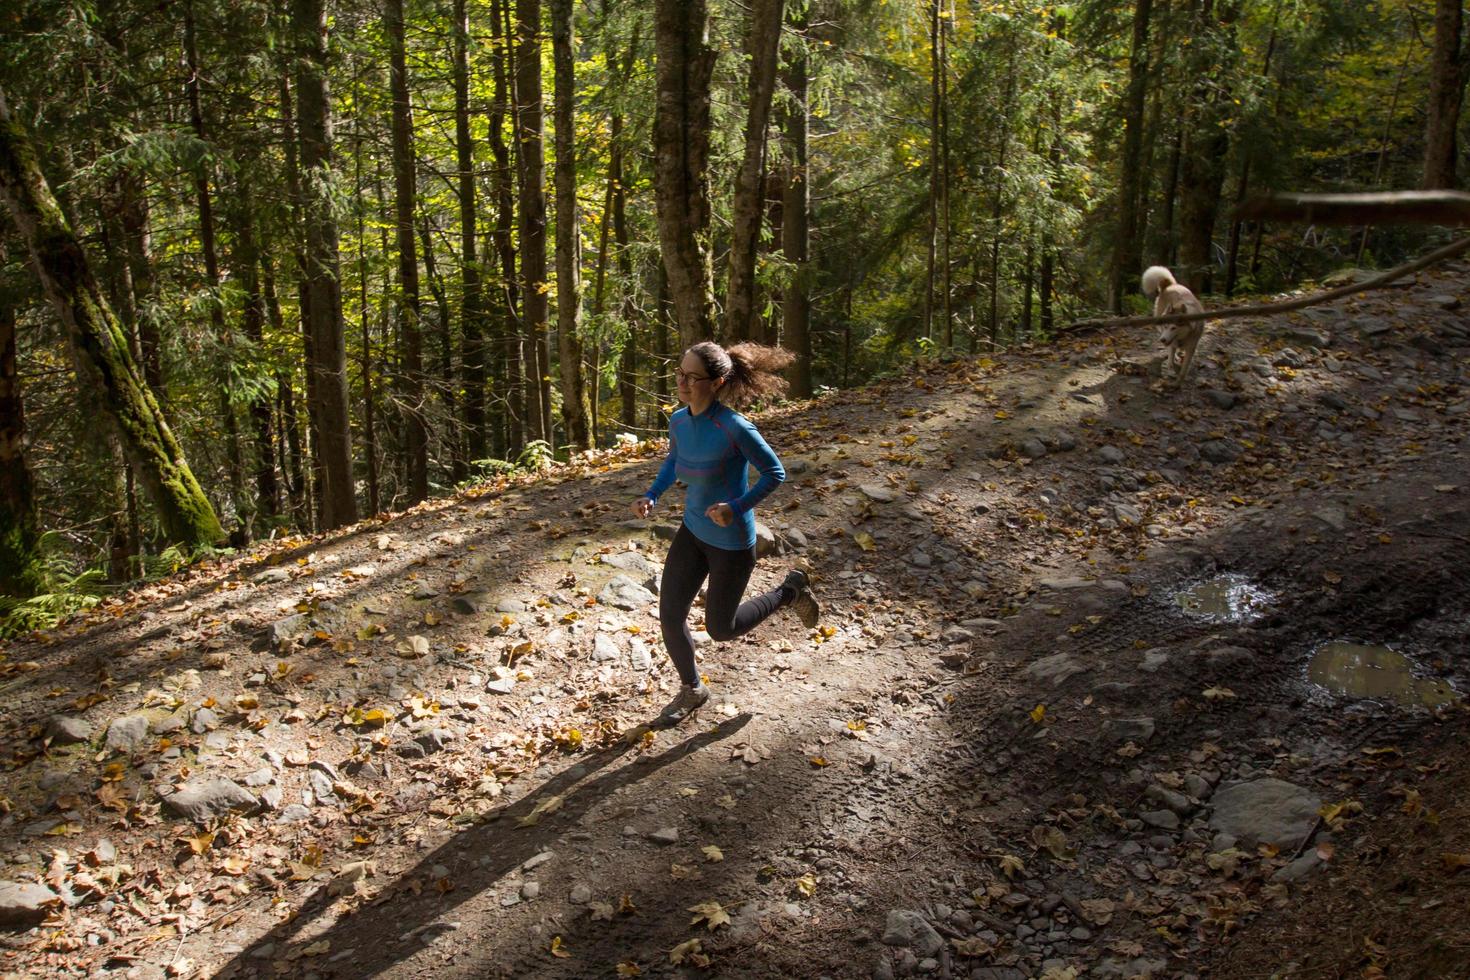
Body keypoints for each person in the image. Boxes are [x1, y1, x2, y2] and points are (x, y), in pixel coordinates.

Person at [633, 340, 820, 723]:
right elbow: (675, 459)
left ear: (716, 382)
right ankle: (692, 690)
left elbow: (775, 473)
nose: (682, 383)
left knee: (721, 628)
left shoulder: (735, 427)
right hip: (692, 531)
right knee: (670, 613)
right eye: (680, 374)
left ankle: (789, 592)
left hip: (731, 544)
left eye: (692, 377)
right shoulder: (680, 420)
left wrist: (736, 508)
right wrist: (652, 494)